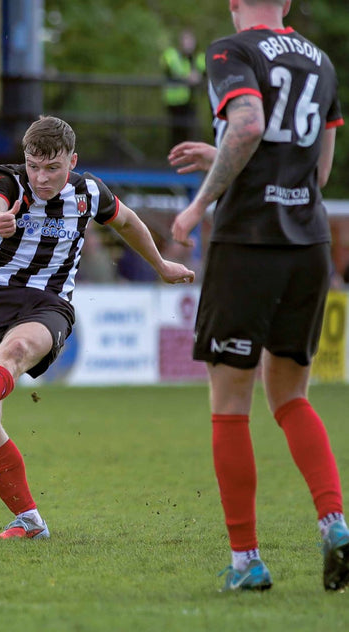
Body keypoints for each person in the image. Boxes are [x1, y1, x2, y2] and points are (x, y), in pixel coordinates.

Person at [0, 115, 195, 542]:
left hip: (49, 302)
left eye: (53, 168)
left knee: (17, 351)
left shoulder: (89, 191)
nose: (41, 178)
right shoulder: (4, 180)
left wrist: (161, 265)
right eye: (34, 166)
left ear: (72, 161)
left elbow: (128, 222)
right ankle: (29, 522)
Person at [169, 0, 348, 592]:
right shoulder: (320, 60)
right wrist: (220, 158)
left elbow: (246, 124)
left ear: (234, 3)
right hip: (309, 242)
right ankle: (335, 524)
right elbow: (318, 171)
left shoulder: (232, 49)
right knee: (291, 396)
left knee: (230, 401)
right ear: (288, 4)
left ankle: (246, 560)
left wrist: (200, 204)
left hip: (249, 240)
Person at [161, 28, 206, 149]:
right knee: (175, 132)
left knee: (190, 131)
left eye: (190, 41)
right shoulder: (171, 54)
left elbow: (205, 71)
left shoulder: (199, 57)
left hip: (191, 100)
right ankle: (173, 158)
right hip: (173, 100)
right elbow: (172, 69)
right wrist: (188, 77)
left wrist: (198, 77)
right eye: (186, 40)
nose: (188, 44)